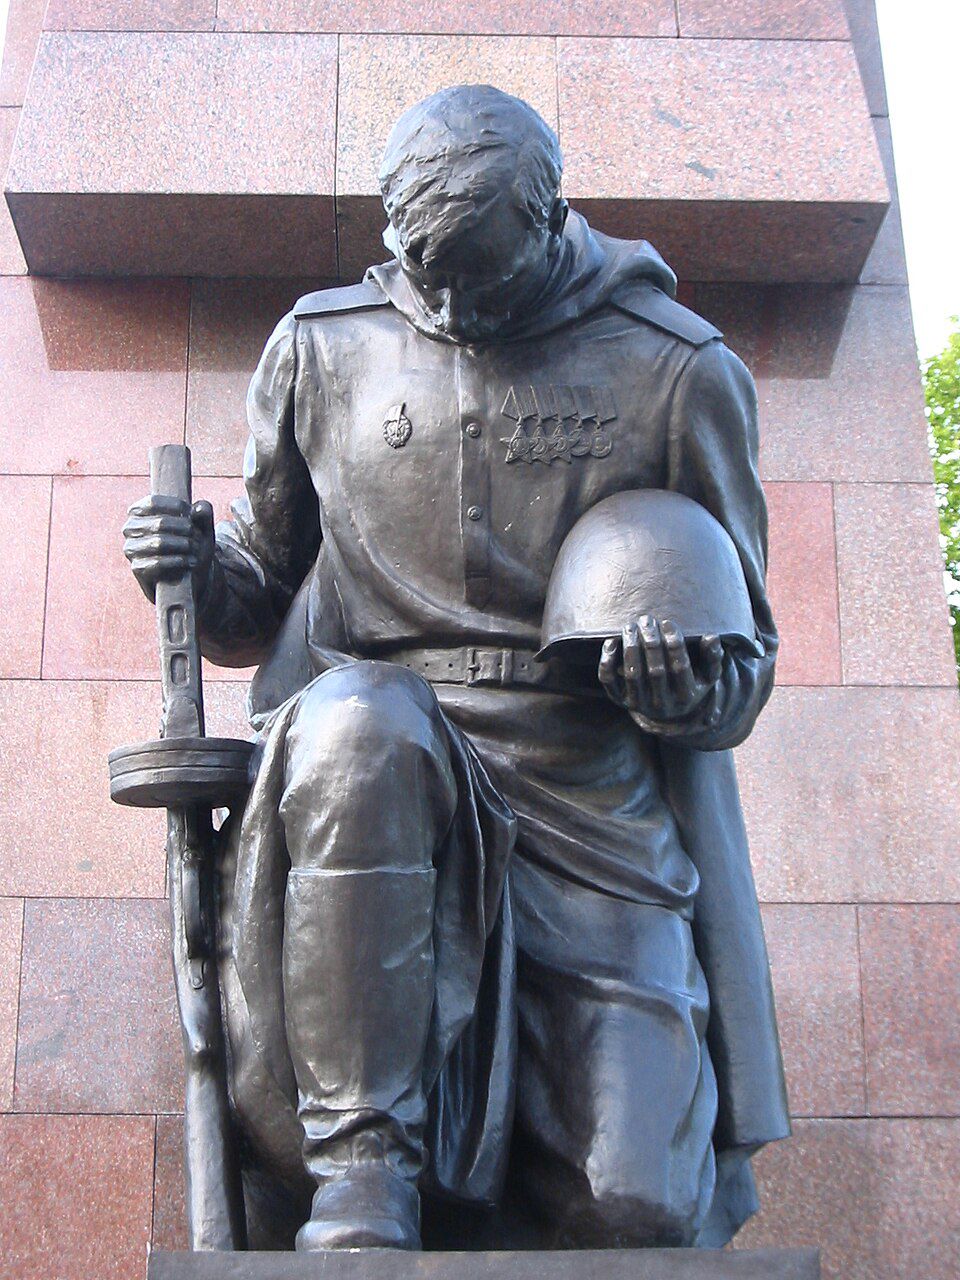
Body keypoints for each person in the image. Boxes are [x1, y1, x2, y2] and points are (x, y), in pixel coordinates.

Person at [123, 84, 788, 1253]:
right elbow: (257, 591)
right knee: (359, 723)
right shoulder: (322, 347)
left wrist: (685, 688)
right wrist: (194, 570)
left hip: (586, 781)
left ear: (552, 217)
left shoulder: (676, 367)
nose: (448, 305)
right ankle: (361, 1167)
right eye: (425, 273)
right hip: (375, 759)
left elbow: (746, 665)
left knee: (635, 1208)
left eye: (480, 281)